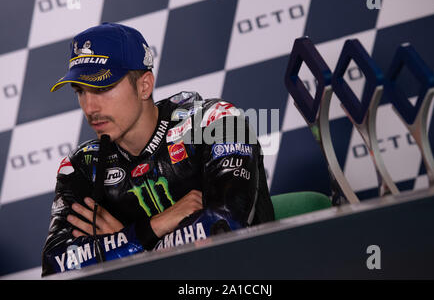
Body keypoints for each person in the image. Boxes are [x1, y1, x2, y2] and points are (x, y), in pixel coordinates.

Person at [41, 22, 274, 276]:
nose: (90, 107)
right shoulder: (83, 166)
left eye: (102, 88)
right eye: (80, 91)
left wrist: (125, 245)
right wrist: (154, 227)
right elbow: (55, 265)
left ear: (144, 85)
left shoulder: (219, 121)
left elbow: (223, 227)